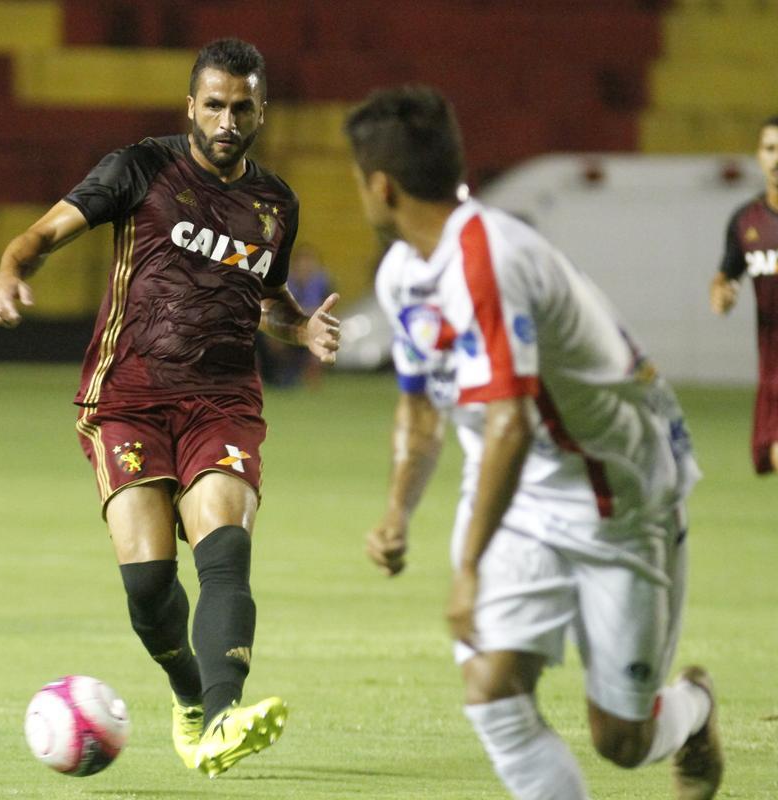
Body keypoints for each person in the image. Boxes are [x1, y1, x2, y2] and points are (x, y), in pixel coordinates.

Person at [346, 86, 722, 800]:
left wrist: (468, 569)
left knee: (623, 739)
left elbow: (512, 424)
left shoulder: (489, 257)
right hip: (520, 499)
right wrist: (398, 510)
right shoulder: (403, 275)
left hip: (620, 496)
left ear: (379, 185)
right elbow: (421, 407)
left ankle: (693, 705)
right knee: (491, 689)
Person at [0, 38, 340, 778]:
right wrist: (10, 270)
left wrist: (301, 326)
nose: (226, 119)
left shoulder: (276, 204)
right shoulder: (140, 168)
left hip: (223, 401)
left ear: (261, 112)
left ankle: (219, 720)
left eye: (242, 107)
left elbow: (265, 297)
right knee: (149, 587)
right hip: (129, 399)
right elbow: (45, 232)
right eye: (213, 104)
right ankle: (189, 695)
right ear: (191, 106)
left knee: (226, 548)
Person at [709, 115, 778, 476]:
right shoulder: (747, 221)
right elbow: (725, 275)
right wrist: (722, 295)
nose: (777, 159)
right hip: (771, 372)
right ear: (759, 156)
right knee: (769, 456)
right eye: (770, 149)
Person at [258, 244, 334, 387]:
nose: (305, 266)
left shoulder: (322, 282)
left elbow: (325, 310)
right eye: (302, 262)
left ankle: (310, 377)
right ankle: (276, 372)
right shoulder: (283, 280)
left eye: (309, 261)